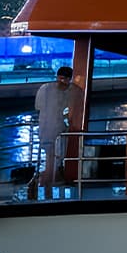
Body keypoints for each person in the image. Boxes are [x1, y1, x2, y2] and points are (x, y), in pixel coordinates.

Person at [33, 65, 85, 197]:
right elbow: (39, 107)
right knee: (51, 153)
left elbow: (39, 107)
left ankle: (51, 178)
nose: (62, 82)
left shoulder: (51, 89)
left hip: (55, 126)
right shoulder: (48, 89)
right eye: (61, 79)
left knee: (53, 153)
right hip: (49, 126)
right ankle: (50, 178)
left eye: (65, 80)